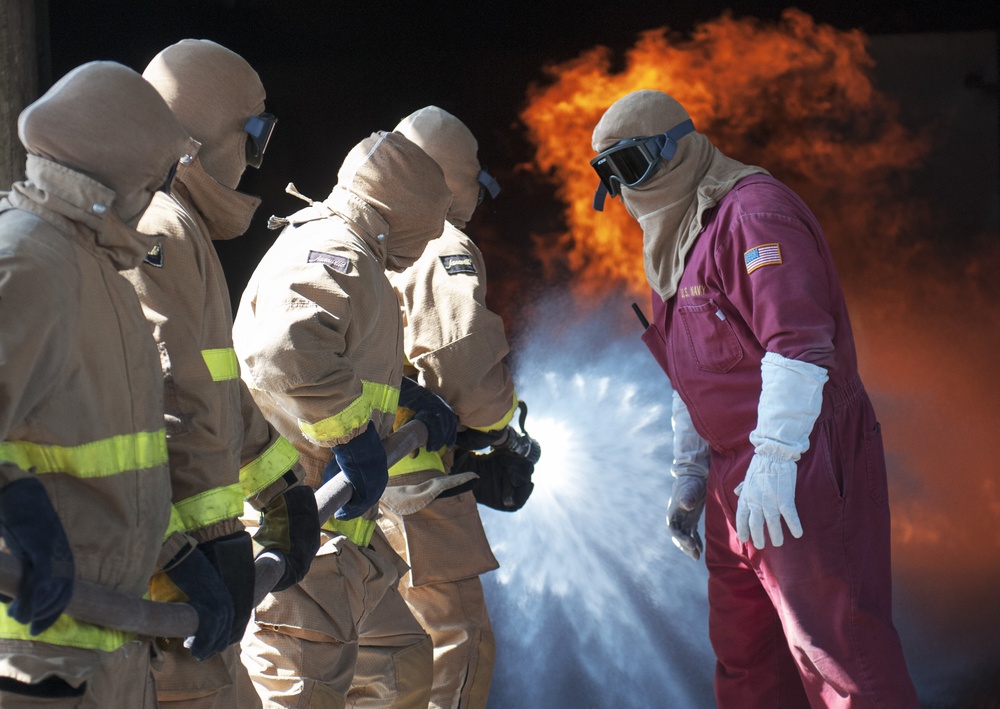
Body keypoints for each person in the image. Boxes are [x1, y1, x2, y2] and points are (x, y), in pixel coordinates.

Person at [590, 89, 920, 708]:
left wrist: (775, 459)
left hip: (802, 459)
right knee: (749, 663)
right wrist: (691, 475)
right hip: (730, 476)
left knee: (840, 656)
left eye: (631, 166)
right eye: (610, 176)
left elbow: (797, 343)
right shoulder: (680, 238)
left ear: (675, 150)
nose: (624, 188)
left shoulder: (752, 214)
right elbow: (691, 369)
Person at [0, 61, 225, 706]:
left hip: (105, 660)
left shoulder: (99, 275)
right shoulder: (29, 262)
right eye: (153, 180)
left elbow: (111, 465)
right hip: (30, 660)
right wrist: (14, 505)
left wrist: (176, 557)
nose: (155, 198)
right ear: (120, 173)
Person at [122, 39, 321, 708]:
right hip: (164, 596)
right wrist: (203, 543)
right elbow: (168, 398)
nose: (254, 158)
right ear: (202, 137)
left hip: (185, 584)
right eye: (253, 136)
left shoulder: (180, 230)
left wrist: (280, 486)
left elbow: (216, 389)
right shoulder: (161, 228)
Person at [232, 130, 454, 707]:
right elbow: (285, 347)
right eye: (428, 228)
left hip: (345, 538)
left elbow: (335, 351)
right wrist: (351, 436)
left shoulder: (351, 251)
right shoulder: (338, 251)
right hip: (302, 528)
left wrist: (405, 394)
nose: (429, 243)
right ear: (402, 212)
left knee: (399, 666)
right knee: (303, 689)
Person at [377, 105, 540, 709]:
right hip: (412, 484)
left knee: (379, 657)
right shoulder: (440, 240)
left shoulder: (364, 230)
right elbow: (464, 361)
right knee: (457, 643)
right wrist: (499, 432)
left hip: (351, 482)